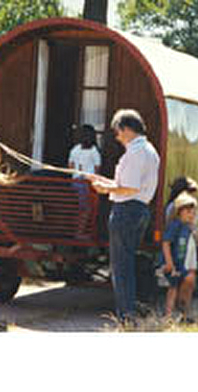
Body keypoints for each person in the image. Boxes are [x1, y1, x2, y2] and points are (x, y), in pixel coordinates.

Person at [87, 109, 160, 323]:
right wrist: (104, 182)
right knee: (126, 263)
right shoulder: (148, 150)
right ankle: (128, 311)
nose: (116, 137)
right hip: (138, 210)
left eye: (117, 132)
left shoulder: (136, 153)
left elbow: (128, 188)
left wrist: (104, 189)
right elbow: (127, 185)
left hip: (127, 210)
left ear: (127, 130)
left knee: (121, 266)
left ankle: (126, 316)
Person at [161, 192, 197, 322]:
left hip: (183, 264)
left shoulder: (188, 227)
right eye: (188, 212)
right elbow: (166, 243)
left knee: (187, 284)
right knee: (173, 288)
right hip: (174, 263)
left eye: (193, 213)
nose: (191, 215)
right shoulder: (174, 225)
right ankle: (168, 316)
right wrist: (169, 263)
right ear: (179, 211)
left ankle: (184, 314)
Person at [68, 124, 101, 237]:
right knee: (87, 208)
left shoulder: (75, 149)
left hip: (76, 180)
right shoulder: (94, 151)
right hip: (87, 182)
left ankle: (77, 231)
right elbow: (97, 168)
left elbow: (70, 166)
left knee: (80, 208)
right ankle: (80, 232)